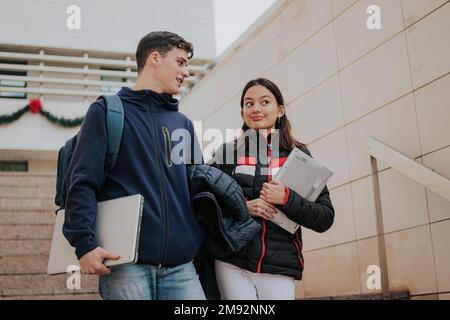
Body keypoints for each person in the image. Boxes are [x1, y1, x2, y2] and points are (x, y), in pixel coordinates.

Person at [63, 31, 205, 300]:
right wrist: (84, 243)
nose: (186, 72)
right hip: (126, 265)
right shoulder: (107, 111)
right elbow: (82, 181)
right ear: (155, 58)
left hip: (182, 266)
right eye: (181, 62)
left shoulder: (183, 123)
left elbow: (196, 186)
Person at [209, 78, 335, 300]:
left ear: (280, 110)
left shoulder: (299, 156)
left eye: (264, 102)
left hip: (279, 265)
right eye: (249, 104)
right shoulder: (226, 153)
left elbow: (325, 217)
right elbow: (204, 204)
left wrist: (286, 198)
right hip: (231, 261)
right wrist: (243, 208)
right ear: (242, 113)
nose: (256, 108)